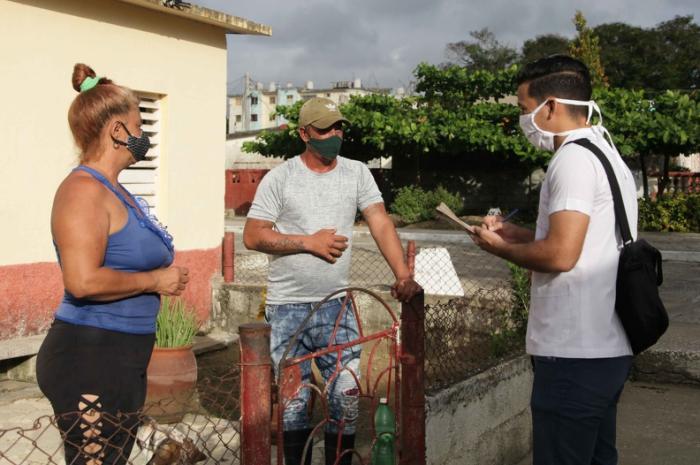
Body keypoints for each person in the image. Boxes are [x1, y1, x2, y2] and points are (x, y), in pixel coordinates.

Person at [470, 55, 637, 465]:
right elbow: (587, 240)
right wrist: (517, 234)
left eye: (526, 111)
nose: (525, 122)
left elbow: (561, 255)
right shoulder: (606, 153)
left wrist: (500, 249)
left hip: (573, 353)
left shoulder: (573, 160)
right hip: (606, 347)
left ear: (551, 107)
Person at [243, 97, 421, 465]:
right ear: (304, 134)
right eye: (325, 129)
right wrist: (308, 241)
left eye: (338, 127)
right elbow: (253, 235)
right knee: (293, 405)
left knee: (347, 395)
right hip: (286, 308)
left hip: (337, 305)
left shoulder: (356, 173)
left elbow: (380, 221)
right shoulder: (281, 178)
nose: (334, 134)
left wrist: (403, 274)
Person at [36, 63, 189, 465]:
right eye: (139, 124)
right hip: (90, 355)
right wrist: (156, 279)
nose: (144, 135)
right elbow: (83, 281)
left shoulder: (117, 190)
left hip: (122, 355)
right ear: (118, 131)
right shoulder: (82, 192)